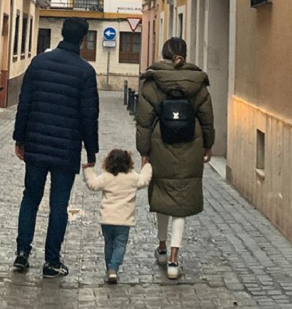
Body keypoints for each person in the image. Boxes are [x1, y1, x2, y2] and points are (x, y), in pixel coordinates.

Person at [12, 17, 99, 278]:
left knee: (30, 197)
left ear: (62, 33)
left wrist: (19, 139)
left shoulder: (38, 63)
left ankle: (22, 252)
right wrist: (91, 151)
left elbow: (24, 102)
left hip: (36, 144)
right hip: (66, 149)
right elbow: (89, 115)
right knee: (59, 205)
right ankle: (51, 261)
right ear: (83, 39)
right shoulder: (85, 72)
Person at [135, 37, 215, 280]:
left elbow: (144, 122)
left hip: (161, 146)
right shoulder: (197, 82)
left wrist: (144, 152)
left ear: (163, 54)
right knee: (181, 202)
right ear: (184, 54)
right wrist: (208, 144)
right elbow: (207, 119)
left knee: (163, 196)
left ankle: (161, 247)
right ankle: (173, 259)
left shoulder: (153, 82)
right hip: (191, 145)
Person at [83, 149, 152, 284]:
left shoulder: (106, 177)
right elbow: (144, 180)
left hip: (107, 219)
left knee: (109, 243)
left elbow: (93, 184)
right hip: (124, 220)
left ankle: (109, 268)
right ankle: (113, 269)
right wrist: (147, 166)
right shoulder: (132, 177)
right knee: (120, 245)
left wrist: (88, 169)